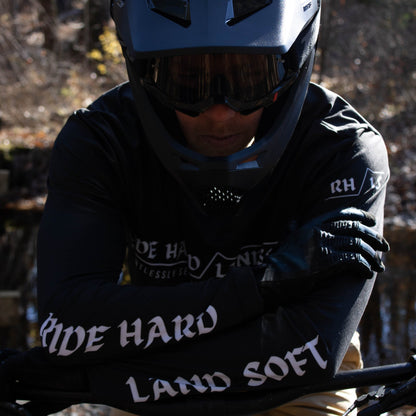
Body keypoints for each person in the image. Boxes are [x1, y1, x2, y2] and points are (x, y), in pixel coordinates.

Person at [0, 1, 390, 415]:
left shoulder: (342, 149)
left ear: (291, 67)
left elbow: (313, 351)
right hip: (151, 367)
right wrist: (264, 283)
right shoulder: (101, 140)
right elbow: (67, 327)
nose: (220, 114)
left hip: (166, 364)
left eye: (249, 78)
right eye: (187, 82)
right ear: (147, 74)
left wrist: (94, 373)